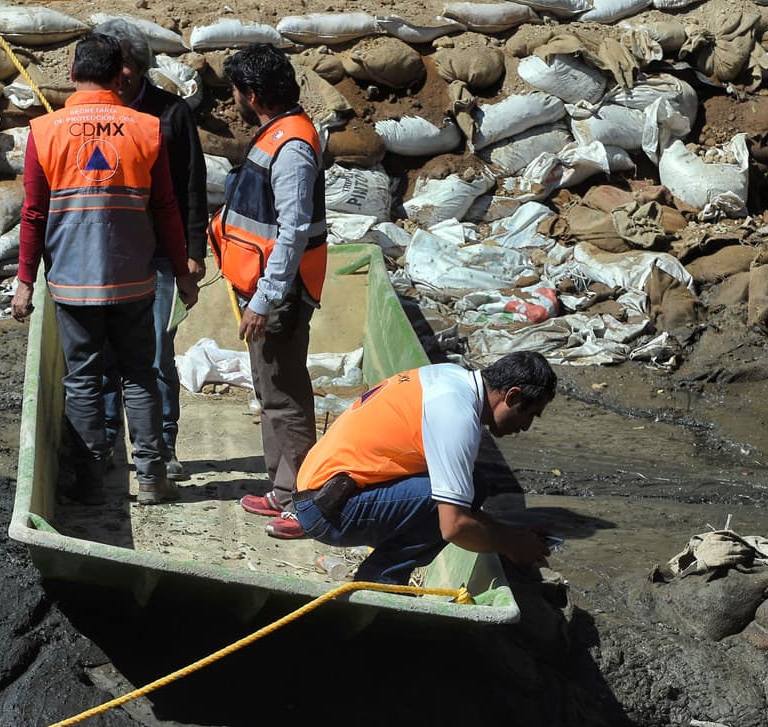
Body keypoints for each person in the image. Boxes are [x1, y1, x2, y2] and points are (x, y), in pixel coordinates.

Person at [11, 32, 199, 505]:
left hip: (72, 284)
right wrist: (182, 271)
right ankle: (152, 477)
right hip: (135, 280)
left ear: (71, 74)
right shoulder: (146, 128)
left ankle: (92, 482)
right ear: (121, 77)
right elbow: (167, 208)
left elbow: (33, 213)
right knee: (140, 374)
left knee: (83, 379)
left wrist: (24, 282)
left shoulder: (44, 131)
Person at [292, 351, 557, 584]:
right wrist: (511, 545)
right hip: (325, 510)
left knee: (471, 485)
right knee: (470, 490)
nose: (526, 427)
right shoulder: (456, 415)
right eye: (530, 414)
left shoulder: (449, 376)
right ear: (512, 396)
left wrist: (508, 534)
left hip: (319, 493)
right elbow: (454, 526)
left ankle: (381, 573)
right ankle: (380, 580)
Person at [208, 44, 327, 540]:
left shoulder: (293, 148)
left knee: (284, 393)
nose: (232, 100)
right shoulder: (279, 134)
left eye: (236, 91)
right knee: (269, 389)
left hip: (277, 294)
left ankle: (302, 499)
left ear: (252, 95)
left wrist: (265, 299)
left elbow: (294, 230)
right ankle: (282, 487)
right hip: (261, 286)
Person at [93, 18, 208, 482]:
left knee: (158, 352)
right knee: (102, 354)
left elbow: (192, 187)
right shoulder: (91, 115)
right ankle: (104, 447)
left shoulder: (171, 114)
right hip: (107, 253)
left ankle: (163, 444)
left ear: (135, 68)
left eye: (122, 69)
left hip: (160, 254)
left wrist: (192, 250)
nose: (117, 78)